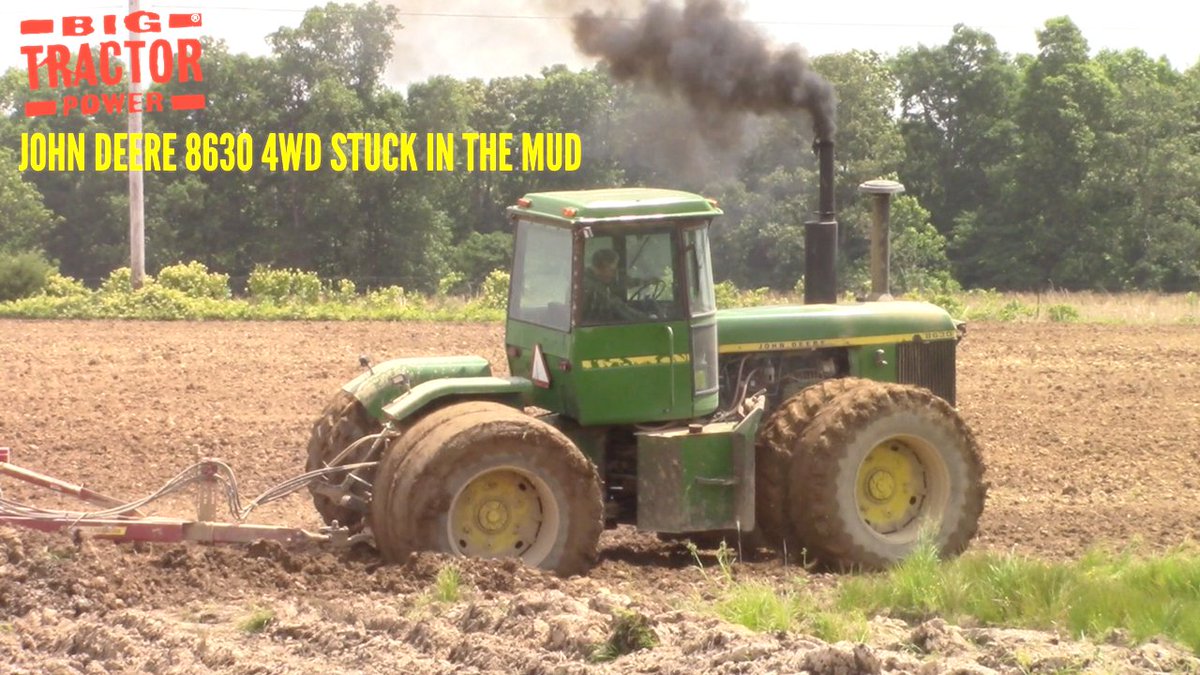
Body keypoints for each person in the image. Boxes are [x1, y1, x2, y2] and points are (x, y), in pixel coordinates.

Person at [582, 248, 651, 322]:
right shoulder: (592, 288)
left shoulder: (591, 278)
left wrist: (644, 282)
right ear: (602, 267)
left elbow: (619, 282)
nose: (614, 274)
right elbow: (617, 306)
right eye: (612, 270)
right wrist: (648, 320)